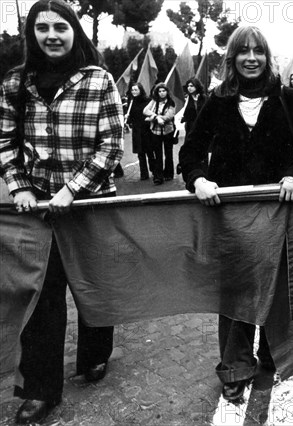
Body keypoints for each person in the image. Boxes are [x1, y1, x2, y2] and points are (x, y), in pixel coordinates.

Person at [179, 26, 293, 401]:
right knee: (237, 293)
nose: (252, 57)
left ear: (267, 56)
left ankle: (272, 356)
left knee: (278, 290)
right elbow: (189, 154)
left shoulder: (289, 98)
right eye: (244, 51)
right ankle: (235, 367)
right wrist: (198, 180)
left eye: (258, 51)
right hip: (232, 220)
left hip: (283, 215)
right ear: (233, 58)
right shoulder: (217, 100)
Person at [0, 0, 123, 423]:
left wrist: (73, 189)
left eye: (61, 26)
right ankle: (40, 390)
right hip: (36, 212)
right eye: (42, 27)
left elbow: (111, 147)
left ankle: (94, 355)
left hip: (90, 206)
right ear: (31, 33)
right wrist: (18, 188)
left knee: (93, 283)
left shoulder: (99, 80)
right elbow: (5, 145)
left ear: (75, 31)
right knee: (41, 296)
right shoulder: (16, 83)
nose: (52, 34)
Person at [143, 82, 176, 185]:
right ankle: (158, 176)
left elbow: (169, 116)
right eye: (159, 91)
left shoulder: (171, 102)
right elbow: (145, 110)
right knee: (157, 154)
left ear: (167, 92)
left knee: (168, 153)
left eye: (163, 91)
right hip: (155, 131)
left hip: (168, 131)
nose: (162, 93)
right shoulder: (154, 101)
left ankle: (169, 174)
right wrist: (156, 117)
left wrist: (152, 118)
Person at [125, 82, 154, 181]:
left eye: (136, 89)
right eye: (132, 90)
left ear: (140, 90)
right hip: (137, 130)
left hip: (146, 129)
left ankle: (153, 170)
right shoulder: (131, 102)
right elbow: (131, 119)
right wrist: (127, 118)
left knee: (150, 151)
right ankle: (144, 173)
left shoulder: (148, 101)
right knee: (140, 153)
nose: (134, 92)